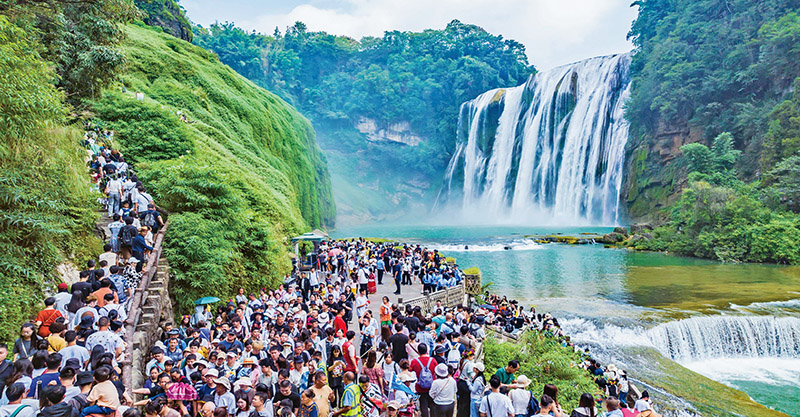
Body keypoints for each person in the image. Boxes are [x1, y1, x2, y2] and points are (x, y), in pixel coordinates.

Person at [409, 344, 437, 417]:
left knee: (423, 405)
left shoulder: (414, 361)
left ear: (418, 351)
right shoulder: (432, 360)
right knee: (432, 405)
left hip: (420, 387)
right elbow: (437, 370)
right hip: (432, 386)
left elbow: (410, 370)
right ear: (427, 351)